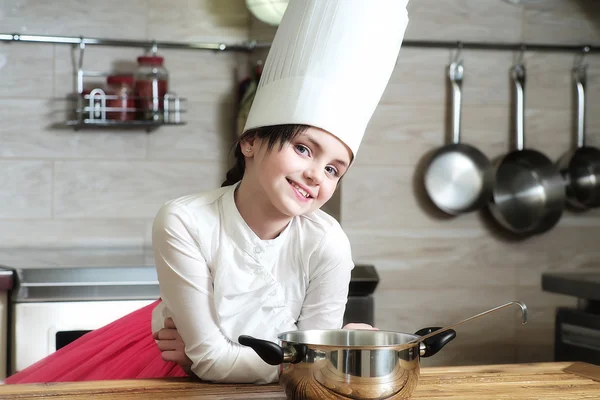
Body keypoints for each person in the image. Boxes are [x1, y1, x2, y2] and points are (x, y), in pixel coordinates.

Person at [4, 0, 409, 385]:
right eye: (302, 148)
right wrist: (315, 358)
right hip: (163, 371)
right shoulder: (184, 220)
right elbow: (261, 359)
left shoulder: (328, 242)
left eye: (333, 169)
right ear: (249, 142)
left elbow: (298, 362)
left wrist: (324, 355)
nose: (315, 175)